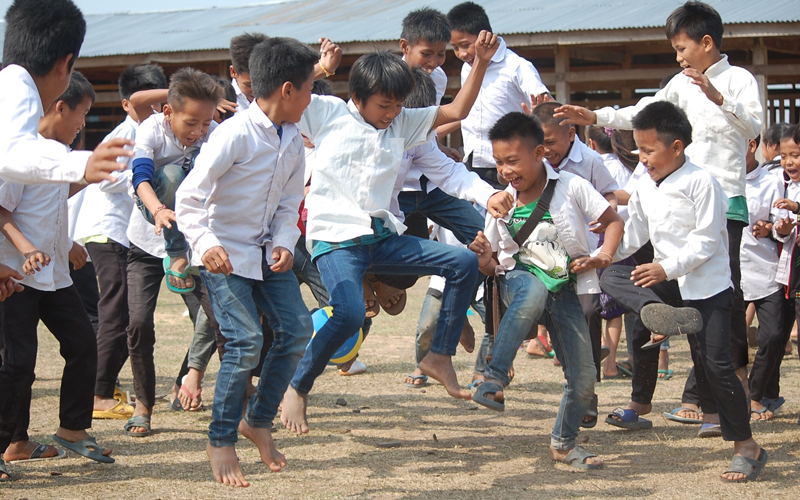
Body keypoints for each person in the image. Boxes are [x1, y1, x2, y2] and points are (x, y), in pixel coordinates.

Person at [281, 32, 503, 437]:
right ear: (360, 96)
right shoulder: (327, 113)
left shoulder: (403, 122)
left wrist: (482, 64)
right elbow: (284, 93)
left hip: (380, 236)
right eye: (384, 105)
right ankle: (298, 386)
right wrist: (321, 68)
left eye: (398, 104)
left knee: (462, 260)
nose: (391, 113)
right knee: (347, 315)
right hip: (335, 239)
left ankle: (438, 355)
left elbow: (458, 108)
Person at [555, 1, 762, 411]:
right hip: (668, 199)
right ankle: (645, 387)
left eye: (682, 49)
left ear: (707, 43)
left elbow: (754, 127)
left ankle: (707, 400)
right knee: (639, 283)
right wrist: (597, 113)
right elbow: (645, 113)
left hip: (721, 202)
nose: (679, 57)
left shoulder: (738, 79)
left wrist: (716, 95)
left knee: (715, 301)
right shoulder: (678, 83)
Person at [176, 36, 332, 487]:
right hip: (222, 256)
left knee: (298, 330)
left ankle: (257, 421)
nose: (312, 98)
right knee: (244, 341)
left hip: (267, 256)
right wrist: (205, 243)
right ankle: (221, 438)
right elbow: (189, 197)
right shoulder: (234, 134)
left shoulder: (292, 140)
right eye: (309, 89)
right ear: (288, 90)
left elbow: (288, 203)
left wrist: (285, 240)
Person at [600, 101, 766, 482]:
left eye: (649, 150)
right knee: (612, 276)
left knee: (717, 367)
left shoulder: (702, 182)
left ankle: (747, 447)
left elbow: (707, 241)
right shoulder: (644, 185)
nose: (642, 160)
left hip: (706, 289)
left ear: (677, 148)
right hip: (668, 287)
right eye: (638, 150)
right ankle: (663, 315)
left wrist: (664, 267)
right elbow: (636, 234)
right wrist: (605, 253)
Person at [468, 111, 623, 469]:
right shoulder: (499, 203)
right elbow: (491, 265)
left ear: (539, 154)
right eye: (498, 162)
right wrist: (481, 255)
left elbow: (614, 222)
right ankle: (493, 378)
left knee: (584, 380)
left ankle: (564, 444)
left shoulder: (572, 185)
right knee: (533, 290)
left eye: (513, 161)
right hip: (517, 282)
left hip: (566, 291)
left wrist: (603, 256)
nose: (505, 170)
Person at [0, 72, 114, 483]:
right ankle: (11, 443)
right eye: (81, 114)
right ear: (58, 107)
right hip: (17, 273)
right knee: (18, 363)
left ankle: (71, 428)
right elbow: (4, 211)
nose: (83, 123)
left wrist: (65, 242)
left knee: (83, 344)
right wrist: (28, 249)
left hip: (55, 274)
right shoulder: (19, 152)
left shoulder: (58, 153)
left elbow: (50, 197)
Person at [70, 64, 169, 420]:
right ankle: (98, 394)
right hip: (106, 231)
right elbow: (106, 180)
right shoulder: (125, 136)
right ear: (128, 105)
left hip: (120, 232)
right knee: (118, 312)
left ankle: (102, 386)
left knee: (122, 313)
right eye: (151, 104)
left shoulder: (154, 131)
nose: (156, 112)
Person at [0, 0, 132, 187]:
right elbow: (11, 154)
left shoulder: (10, 84)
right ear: (64, 65)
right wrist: (82, 164)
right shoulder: (23, 90)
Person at [131, 67, 222, 294]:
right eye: (191, 123)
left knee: (208, 160)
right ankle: (177, 252)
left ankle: (202, 240)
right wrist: (158, 210)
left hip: (195, 202)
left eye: (205, 123)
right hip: (155, 202)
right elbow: (140, 177)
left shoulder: (214, 132)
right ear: (168, 112)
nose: (198, 131)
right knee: (172, 174)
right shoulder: (150, 128)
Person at [445, 1, 550, 189]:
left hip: (509, 165)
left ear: (486, 37)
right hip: (473, 163)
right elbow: (467, 111)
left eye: (465, 45)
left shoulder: (517, 66)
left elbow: (547, 107)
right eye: (455, 48)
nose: (461, 54)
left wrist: (538, 113)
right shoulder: (466, 69)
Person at [740, 136, 792, 422]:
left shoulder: (771, 181)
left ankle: (756, 394)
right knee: (727, 338)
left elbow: (783, 226)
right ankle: (703, 399)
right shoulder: (719, 179)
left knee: (772, 335)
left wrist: (771, 227)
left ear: (751, 145)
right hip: (731, 272)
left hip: (766, 270)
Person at [229, 32, 268, 111]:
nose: (256, 91)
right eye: (249, 85)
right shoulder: (222, 101)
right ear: (233, 72)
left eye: (263, 84)